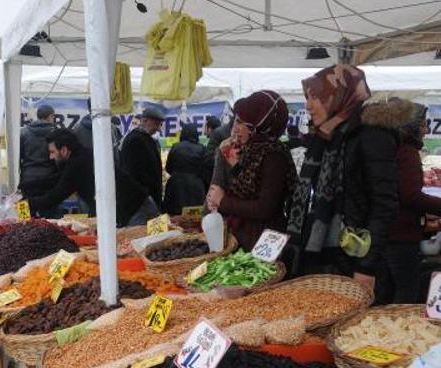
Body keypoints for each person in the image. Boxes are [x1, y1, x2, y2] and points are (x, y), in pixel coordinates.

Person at [287, 65, 398, 293]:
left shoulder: (372, 135)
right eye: (307, 97)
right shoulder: (326, 135)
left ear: (337, 96)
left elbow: (384, 205)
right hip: (327, 255)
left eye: (315, 97)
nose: (308, 106)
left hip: (357, 258)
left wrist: (366, 266)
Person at [364, 98, 441, 304]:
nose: (425, 130)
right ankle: (400, 329)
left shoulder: (392, 148)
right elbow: (410, 195)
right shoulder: (407, 152)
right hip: (401, 234)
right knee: (407, 289)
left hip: (385, 232)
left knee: (385, 290)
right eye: (423, 124)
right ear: (412, 126)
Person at [206, 90, 298, 251]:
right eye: (237, 121)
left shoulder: (274, 156)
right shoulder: (251, 150)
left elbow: (264, 208)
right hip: (246, 235)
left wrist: (223, 201)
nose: (236, 128)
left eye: (242, 122)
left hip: (262, 241)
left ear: (259, 126)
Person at [27, 128, 96, 216]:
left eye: (52, 152)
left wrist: (26, 203)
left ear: (64, 150)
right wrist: (27, 186)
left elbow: (55, 196)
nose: (51, 157)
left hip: (109, 211)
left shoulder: (77, 164)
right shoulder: (81, 155)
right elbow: (57, 178)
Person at [120, 107, 165, 225]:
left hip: (146, 197)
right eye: (156, 124)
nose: (158, 128)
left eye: (159, 124)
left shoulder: (145, 138)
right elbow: (134, 172)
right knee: (139, 233)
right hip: (139, 200)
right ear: (144, 121)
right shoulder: (135, 140)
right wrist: (146, 194)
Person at [18, 104, 60, 218]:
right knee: (52, 221)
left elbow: (19, 156)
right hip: (49, 181)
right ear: (51, 116)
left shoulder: (24, 132)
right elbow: (60, 158)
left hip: (28, 180)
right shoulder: (56, 133)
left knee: (25, 220)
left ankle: (22, 234)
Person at [163, 123, 209, 215]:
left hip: (176, 185)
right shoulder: (202, 148)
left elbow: (168, 167)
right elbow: (205, 170)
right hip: (195, 186)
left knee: (175, 215)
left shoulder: (176, 146)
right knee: (194, 216)